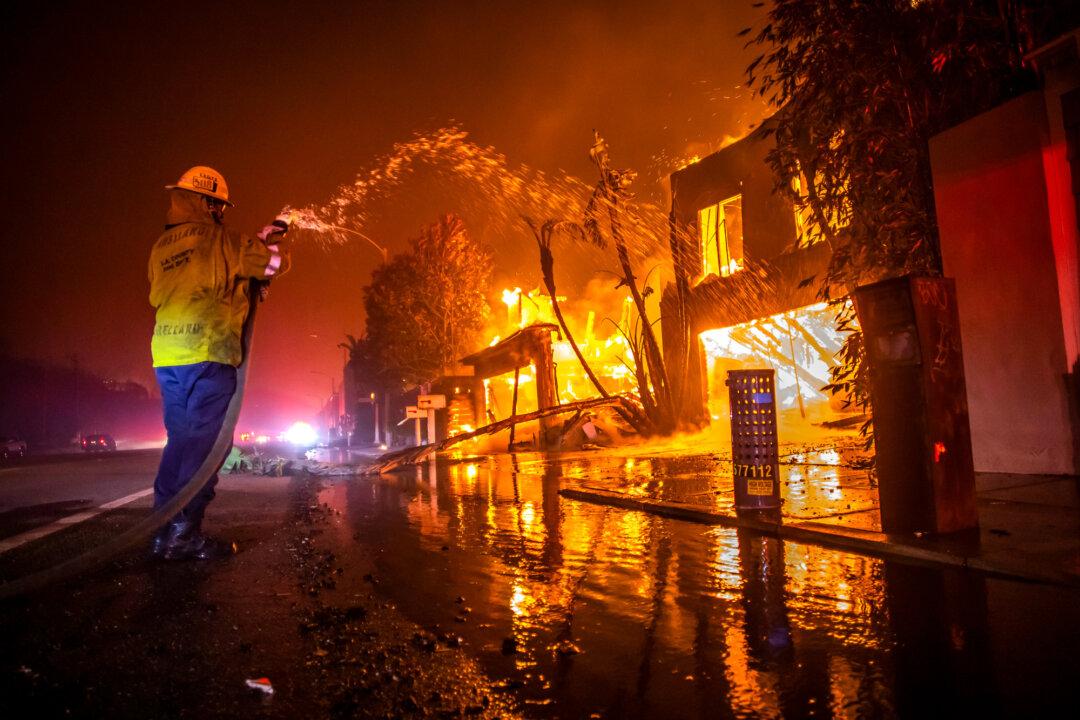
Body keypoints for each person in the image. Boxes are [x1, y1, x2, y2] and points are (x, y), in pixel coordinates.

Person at [148, 166, 290, 560]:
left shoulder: (162, 246)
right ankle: (183, 535)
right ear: (209, 203)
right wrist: (269, 242)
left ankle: (161, 531)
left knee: (179, 443)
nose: (222, 213)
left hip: (167, 356)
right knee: (208, 448)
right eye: (220, 206)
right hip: (209, 354)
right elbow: (272, 266)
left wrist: (254, 244)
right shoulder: (223, 240)